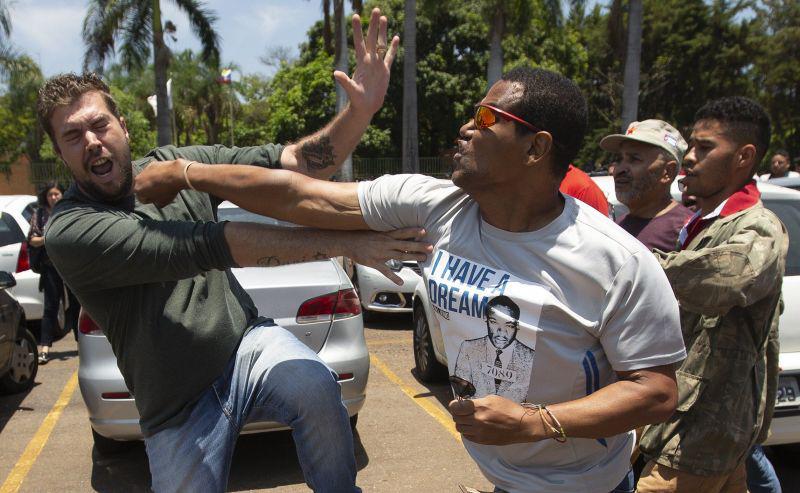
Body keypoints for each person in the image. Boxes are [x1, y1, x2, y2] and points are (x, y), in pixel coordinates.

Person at [136, 66, 686, 493]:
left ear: (536, 148)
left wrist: (535, 423)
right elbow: (301, 196)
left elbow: (656, 391)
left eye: (489, 118)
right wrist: (188, 173)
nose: (467, 126)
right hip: (499, 473)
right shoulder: (436, 206)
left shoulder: (615, 262)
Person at [38, 9, 432, 493]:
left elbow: (296, 164)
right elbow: (212, 245)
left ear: (122, 124)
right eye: (73, 136)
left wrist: (361, 111)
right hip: (174, 407)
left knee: (315, 386)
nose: (92, 142)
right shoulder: (71, 229)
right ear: (60, 153)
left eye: (99, 125)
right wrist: (347, 243)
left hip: (245, 347)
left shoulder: (171, 166)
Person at [637, 96, 788, 493]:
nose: (689, 157)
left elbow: (730, 277)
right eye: (691, 145)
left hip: (702, 435)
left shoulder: (759, 226)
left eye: (705, 147)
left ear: (744, 156)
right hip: (691, 425)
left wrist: (635, 264)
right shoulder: (707, 223)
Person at [601, 119, 692, 251]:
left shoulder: (687, 231)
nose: (619, 170)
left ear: (667, 172)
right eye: (619, 159)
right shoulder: (617, 226)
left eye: (634, 159)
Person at [27, 181, 81, 364]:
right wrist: (47, 238)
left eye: (57, 194)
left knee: (77, 306)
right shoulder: (40, 214)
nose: (54, 197)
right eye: (50, 194)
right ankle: (44, 348)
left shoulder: (69, 211)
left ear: (62, 195)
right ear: (46, 197)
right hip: (50, 267)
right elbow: (32, 239)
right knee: (50, 307)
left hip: (70, 266)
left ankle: (81, 344)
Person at [453, 296, 535, 404]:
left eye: (509, 325)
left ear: (517, 326)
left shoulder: (530, 357)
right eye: (494, 322)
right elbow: (461, 395)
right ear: (486, 321)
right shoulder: (468, 348)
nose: (501, 331)